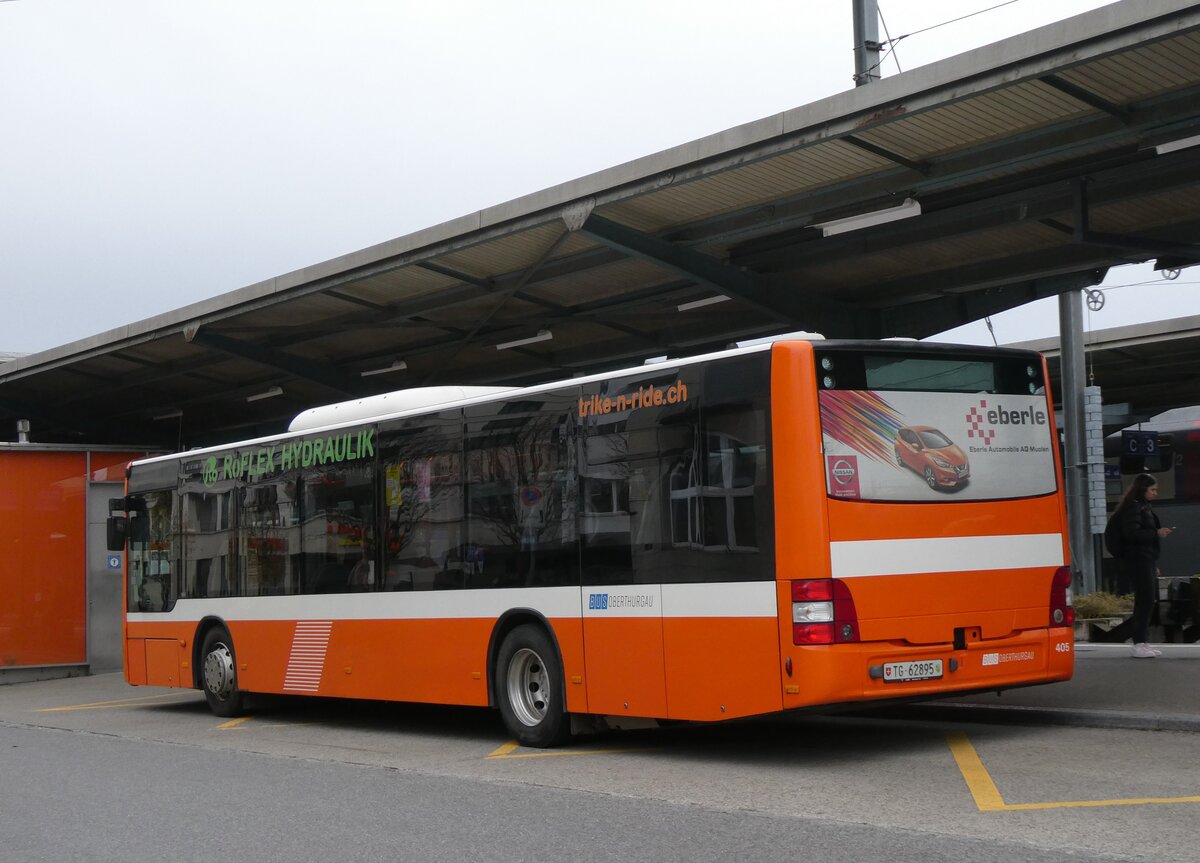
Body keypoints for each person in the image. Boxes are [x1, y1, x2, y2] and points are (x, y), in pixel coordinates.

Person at [1115, 473, 1175, 658]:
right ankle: (1139, 642)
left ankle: (1142, 641)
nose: (1156, 493)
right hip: (1138, 559)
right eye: (1153, 489)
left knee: (1147, 599)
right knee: (1145, 599)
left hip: (1144, 559)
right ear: (1143, 490)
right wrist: (1156, 533)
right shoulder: (1134, 509)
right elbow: (1132, 534)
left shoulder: (1141, 507)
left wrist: (1152, 562)